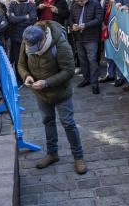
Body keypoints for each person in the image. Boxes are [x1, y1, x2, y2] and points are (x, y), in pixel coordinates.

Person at [18, 21, 87, 174]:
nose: (31, 50)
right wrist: (27, 76)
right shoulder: (28, 40)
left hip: (60, 92)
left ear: (42, 39)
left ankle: (78, 157)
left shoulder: (60, 45)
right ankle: (52, 154)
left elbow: (69, 71)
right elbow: (21, 64)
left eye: (35, 48)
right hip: (41, 94)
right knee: (47, 121)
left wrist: (47, 83)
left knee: (68, 123)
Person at [68, 0, 103, 94]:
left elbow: (99, 19)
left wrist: (86, 25)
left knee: (92, 60)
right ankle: (86, 78)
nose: (80, 3)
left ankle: (94, 83)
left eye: (82, 0)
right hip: (79, 37)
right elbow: (70, 19)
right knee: (82, 60)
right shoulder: (75, 5)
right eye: (78, 0)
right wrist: (72, 24)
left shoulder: (96, 4)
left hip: (91, 37)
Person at [6, 0, 37, 78]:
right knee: (18, 59)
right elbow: (11, 19)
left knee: (29, 59)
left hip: (28, 37)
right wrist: (24, 17)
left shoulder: (31, 5)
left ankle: (29, 77)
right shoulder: (12, 4)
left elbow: (32, 19)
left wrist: (17, 19)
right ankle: (20, 80)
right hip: (15, 37)